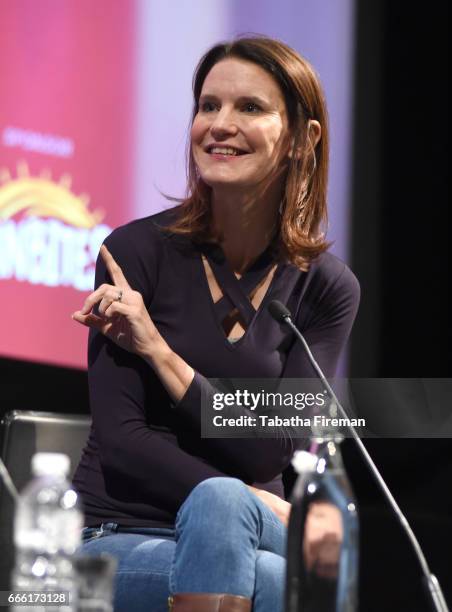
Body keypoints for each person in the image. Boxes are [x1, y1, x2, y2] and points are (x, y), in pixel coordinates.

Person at [72, 35, 360, 612]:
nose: (219, 124)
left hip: (255, 527)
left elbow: (269, 451)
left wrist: (160, 352)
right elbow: (124, 442)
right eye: (208, 106)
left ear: (303, 140)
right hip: (111, 543)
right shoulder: (134, 252)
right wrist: (234, 494)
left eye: (249, 108)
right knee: (269, 571)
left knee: (252, 522)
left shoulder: (325, 287)